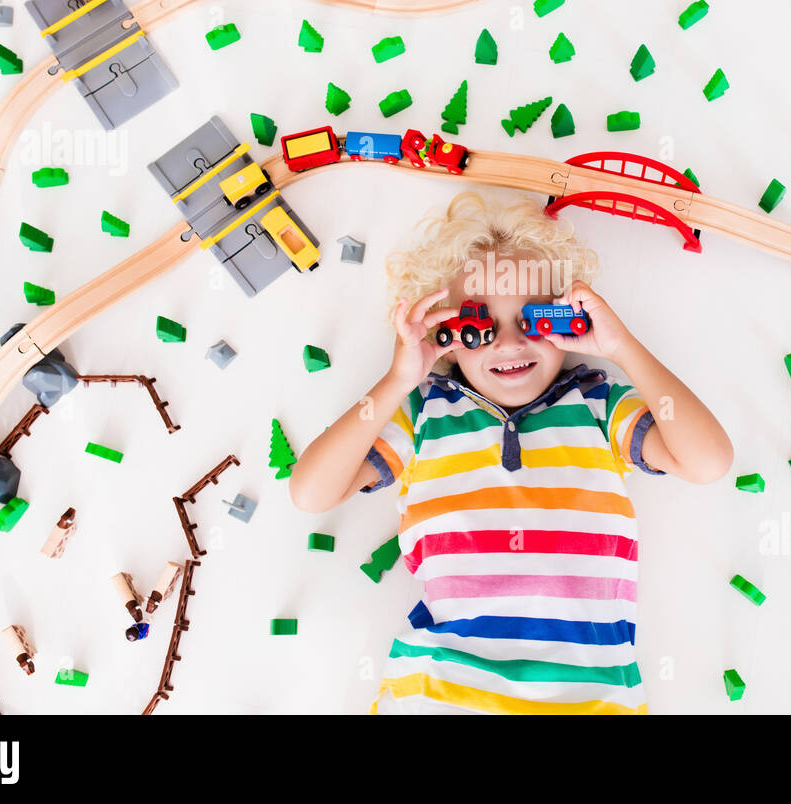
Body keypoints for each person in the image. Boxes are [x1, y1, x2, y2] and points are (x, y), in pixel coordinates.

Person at [289, 192, 732, 713]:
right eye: (478, 327)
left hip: (589, 694)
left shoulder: (596, 406)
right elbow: (310, 493)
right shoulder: (425, 415)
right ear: (446, 335)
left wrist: (622, 348)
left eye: (534, 320)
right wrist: (398, 379)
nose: (507, 344)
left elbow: (709, 461)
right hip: (443, 687)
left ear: (567, 320)